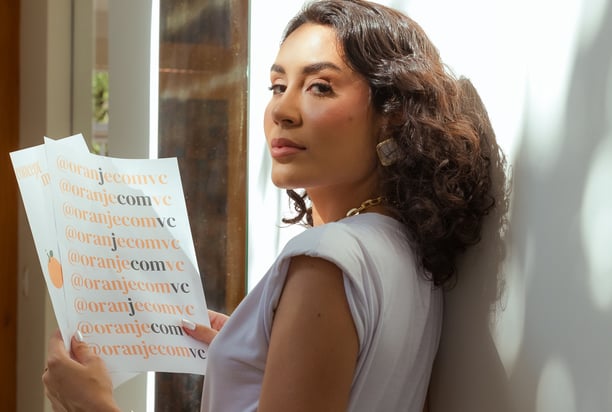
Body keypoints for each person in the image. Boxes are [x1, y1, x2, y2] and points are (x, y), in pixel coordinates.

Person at [42, 1, 502, 411]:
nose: (283, 110)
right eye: (278, 86)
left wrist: (93, 405)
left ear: (392, 112)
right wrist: (253, 355)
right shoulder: (402, 248)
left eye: (321, 86)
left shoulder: (324, 260)